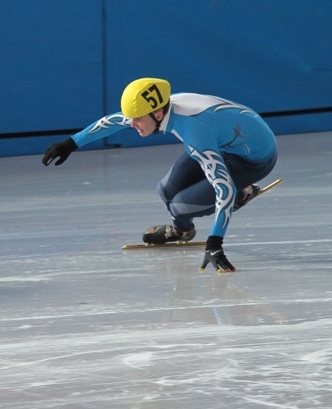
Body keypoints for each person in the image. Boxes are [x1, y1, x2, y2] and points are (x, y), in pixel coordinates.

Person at [41, 78, 277, 272]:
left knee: (180, 206)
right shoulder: (162, 108)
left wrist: (215, 242)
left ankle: (242, 192)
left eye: (138, 120)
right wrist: (71, 143)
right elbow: (112, 121)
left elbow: (223, 187)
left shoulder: (194, 133)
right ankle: (182, 230)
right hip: (226, 142)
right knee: (166, 190)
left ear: (156, 114)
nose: (132, 125)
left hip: (253, 160)